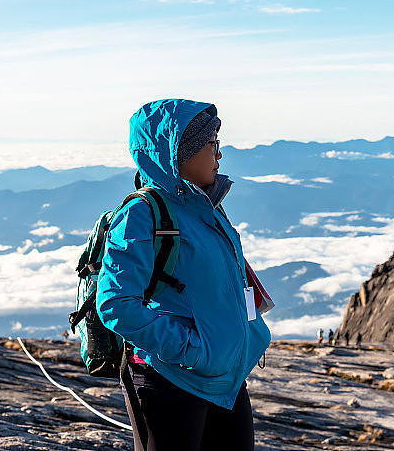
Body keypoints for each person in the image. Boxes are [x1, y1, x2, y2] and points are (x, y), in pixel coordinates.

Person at [97, 99, 271, 451]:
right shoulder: (143, 214)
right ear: (179, 152)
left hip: (226, 378)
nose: (219, 156)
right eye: (212, 145)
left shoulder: (208, 207)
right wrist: (192, 351)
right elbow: (115, 304)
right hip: (170, 380)